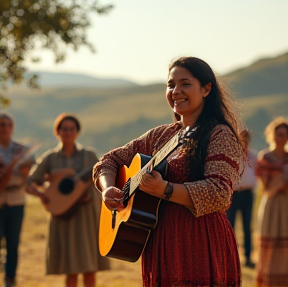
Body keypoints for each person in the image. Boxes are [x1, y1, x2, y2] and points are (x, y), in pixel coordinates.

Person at [93, 57, 246, 287]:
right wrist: (108, 189)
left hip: (200, 241)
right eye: (170, 84)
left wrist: (165, 190)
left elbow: (220, 193)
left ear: (206, 89)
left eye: (185, 83)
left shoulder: (219, 134)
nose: (176, 91)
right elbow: (109, 160)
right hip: (161, 240)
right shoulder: (160, 136)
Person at [26, 113, 110, 287]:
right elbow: (31, 182)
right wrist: (43, 196)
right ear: (58, 132)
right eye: (64, 129)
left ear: (77, 132)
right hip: (63, 217)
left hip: (87, 216)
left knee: (89, 267)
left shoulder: (89, 156)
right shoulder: (50, 158)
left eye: (71, 129)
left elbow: (103, 177)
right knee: (70, 268)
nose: (68, 132)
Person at [0, 112, 34, 287]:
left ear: (12, 127)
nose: (4, 128)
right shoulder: (19, 153)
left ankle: (10, 280)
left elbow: (27, 177)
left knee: (13, 245)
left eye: (7, 124)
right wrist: (14, 165)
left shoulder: (21, 149)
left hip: (17, 201)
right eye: (1, 124)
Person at [256, 117, 288, 287]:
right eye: (278, 134)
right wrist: (283, 178)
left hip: (287, 203)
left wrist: (281, 180)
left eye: (284, 135)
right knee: (270, 242)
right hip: (272, 203)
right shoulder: (265, 157)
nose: (281, 138)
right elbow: (268, 187)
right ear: (272, 135)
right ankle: (268, 280)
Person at [227, 130, 257, 268]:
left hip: (247, 194)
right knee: (230, 225)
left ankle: (248, 257)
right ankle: (231, 256)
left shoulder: (253, 157)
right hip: (233, 194)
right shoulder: (232, 156)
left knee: (247, 225)